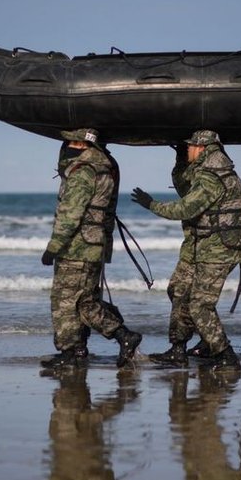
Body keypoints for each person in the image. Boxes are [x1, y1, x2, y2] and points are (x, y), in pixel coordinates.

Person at [131, 130, 241, 370]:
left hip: (218, 249)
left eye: (189, 147)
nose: (187, 149)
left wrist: (151, 204)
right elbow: (184, 186)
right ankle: (178, 349)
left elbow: (185, 208)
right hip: (201, 244)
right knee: (179, 290)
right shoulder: (204, 171)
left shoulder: (212, 177)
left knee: (200, 305)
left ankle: (225, 353)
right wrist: (179, 160)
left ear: (202, 148)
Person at [40, 128, 142, 369]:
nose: (66, 147)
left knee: (67, 301)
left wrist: (53, 247)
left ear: (80, 144)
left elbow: (70, 214)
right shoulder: (105, 167)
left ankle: (110, 339)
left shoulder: (83, 171)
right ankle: (79, 349)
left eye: (70, 142)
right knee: (85, 300)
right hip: (94, 244)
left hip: (77, 247)